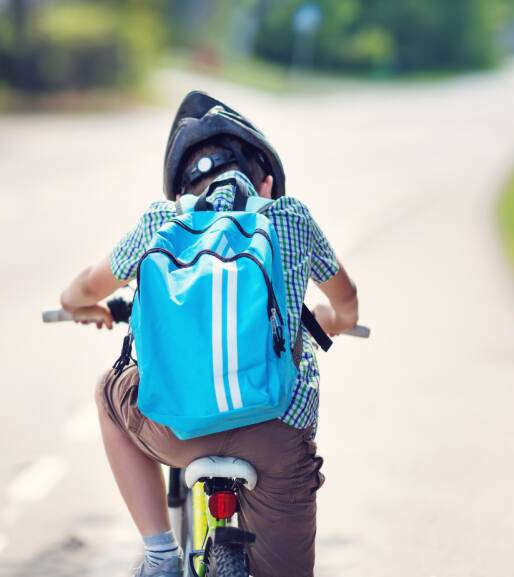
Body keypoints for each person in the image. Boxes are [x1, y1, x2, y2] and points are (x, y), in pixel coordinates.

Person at [58, 91, 359, 577]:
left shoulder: (162, 220)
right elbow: (346, 297)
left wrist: (84, 306)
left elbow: (81, 289)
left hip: (177, 432)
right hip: (276, 435)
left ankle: (159, 556)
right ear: (265, 182)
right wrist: (336, 321)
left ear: (183, 187)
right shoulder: (291, 217)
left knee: (107, 394)